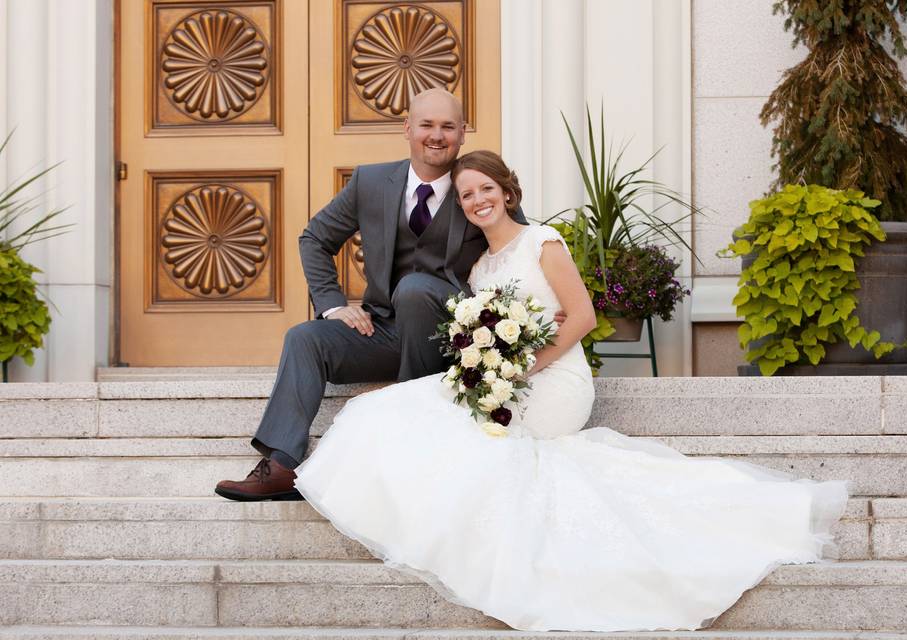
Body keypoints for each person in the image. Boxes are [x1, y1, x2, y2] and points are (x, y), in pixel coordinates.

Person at [293, 150, 849, 632]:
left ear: (508, 192)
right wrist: (490, 368)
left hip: (555, 381)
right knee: (399, 411)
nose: (478, 200)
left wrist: (526, 364)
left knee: (475, 445)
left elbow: (581, 316)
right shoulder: (479, 267)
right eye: (466, 195)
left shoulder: (543, 241)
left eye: (487, 188)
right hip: (509, 380)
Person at [215, 89, 525, 501]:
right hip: (385, 329)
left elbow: (520, 246)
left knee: (415, 290)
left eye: (448, 126)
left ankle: (409, 433)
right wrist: (332, 305)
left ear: (463, 133)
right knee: (304, 339)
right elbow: (314, 239)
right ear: (407, 129)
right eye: (427, 125)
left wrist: (534, 312)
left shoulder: (477, 187)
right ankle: (282, 465)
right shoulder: (371, 181)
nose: (437, 135)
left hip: (453, 341)